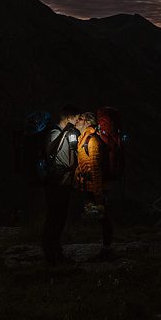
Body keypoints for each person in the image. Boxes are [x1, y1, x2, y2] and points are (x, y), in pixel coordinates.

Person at [43, 104, 82, 265]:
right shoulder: (54, 131)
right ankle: (51, 253)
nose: (78, 120)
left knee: (60, 217)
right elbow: (49, 150)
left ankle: (55, 251)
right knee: (55, 217)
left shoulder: (69, 133)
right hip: (56, 182)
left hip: (65, 181)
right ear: (68, 118)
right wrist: (64, 132)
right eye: (76, 117)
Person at [75, 112, 115, 261]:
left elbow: (96, 169)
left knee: (103, 216)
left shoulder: (91, 141)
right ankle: (104, 247)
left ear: (87, 122)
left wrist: (98, 194)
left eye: (80, 119)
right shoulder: (84, 139)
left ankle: (107, 248)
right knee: (99, 217)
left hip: (97, 187)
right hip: (90, 187)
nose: (77, 121)